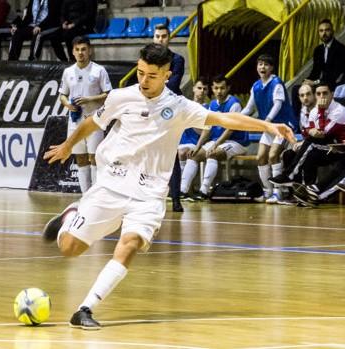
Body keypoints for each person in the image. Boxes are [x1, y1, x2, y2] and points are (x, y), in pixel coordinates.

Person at [41, 43, 295, 330]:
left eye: (151, 75)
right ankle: (70, 216)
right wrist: (67, 145)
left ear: (166, 74)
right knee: (70, 248)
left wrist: (267, 126)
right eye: (140, 73)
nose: (143, 81)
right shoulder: (121, 97)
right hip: (112, 182)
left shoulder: (179, 107)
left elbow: (225, 118)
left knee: (130, 243)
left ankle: (85, 308)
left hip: (149, 192)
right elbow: (92, 122)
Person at [180, 75, 248, 200]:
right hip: (217, 141)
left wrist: (215, 145)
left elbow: (230, 130)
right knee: (193, 155)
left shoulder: (234, 104)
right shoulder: (212, 104)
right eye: (216, 88)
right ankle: (183, 191)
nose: (219, 91)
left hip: (236, 142)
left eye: (222, 88)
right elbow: (207, 128)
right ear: (212, 88)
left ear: (228, 88)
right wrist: (198, 146)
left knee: (212, 154)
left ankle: (204, 191)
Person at [58, 36, 111, 194]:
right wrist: (67, 104)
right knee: (80, 158)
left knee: (94, 158)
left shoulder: (99, 70)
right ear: (73, 52)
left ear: (90, 51)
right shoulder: (68, 72)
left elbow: (108, 94)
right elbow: (62, 95)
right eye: (77, 50)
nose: (80, 53)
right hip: (75, 121)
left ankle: (95, 195)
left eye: (83, 49)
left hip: (94, 120)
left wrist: (89, 99)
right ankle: (85, 195)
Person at [241, 54, 297, 203]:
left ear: (271, 68)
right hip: (269, 127)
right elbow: (249, 108)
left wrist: (267, 120)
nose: (262, 67)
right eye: (260, 64)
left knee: (273, 156)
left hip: (283, 125)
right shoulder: (256, 86)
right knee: (260, 157)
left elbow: (278, 104)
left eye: (266, 64)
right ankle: (268, 190)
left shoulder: (277, 83)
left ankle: (279, 192)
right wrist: (236, 118)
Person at [153, 23, 186, 211]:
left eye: (164, 36)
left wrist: (155, 86)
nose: (160, 39)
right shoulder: (147, 58)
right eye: (157, 36)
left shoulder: (177, 59)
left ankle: (175, 199)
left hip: (171, 108)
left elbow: (173, 84)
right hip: (151, 108)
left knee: (171, 154)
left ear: (169, 38)